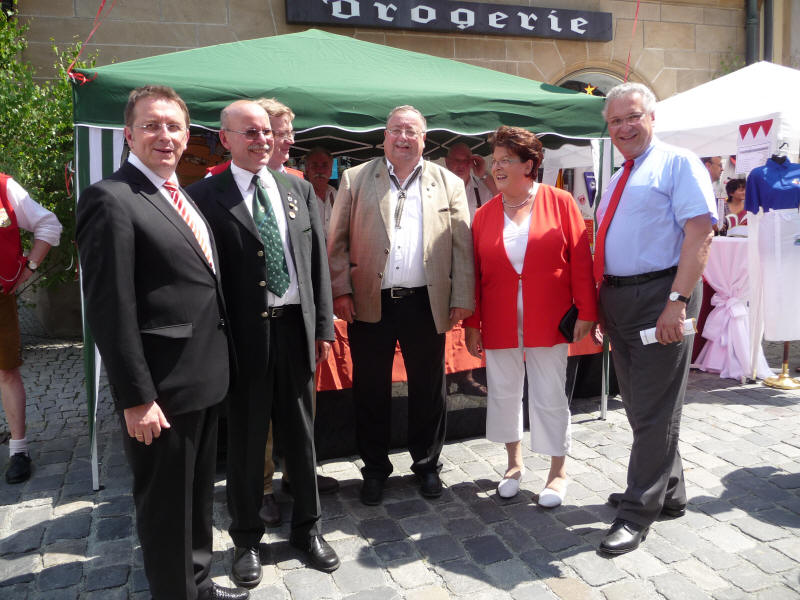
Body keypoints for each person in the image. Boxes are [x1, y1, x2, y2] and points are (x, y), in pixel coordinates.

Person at [76, 85, 248, 600]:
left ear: (188, 135)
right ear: (128, 134)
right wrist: (135, 397)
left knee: (196, 500)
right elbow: (110, 309)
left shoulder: (182, 194)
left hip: (202, 379)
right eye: (151, 125)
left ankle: (198, 583)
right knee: (165, 508)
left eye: (174, 126)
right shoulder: (111, 198)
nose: (165, 136)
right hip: (160, 390)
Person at [187, 100, 340, 588]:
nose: (261, 140)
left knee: (301, 435)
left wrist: (322, 328)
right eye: (249, 133)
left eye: (265, 133)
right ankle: (247, 539)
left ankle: (307, 529)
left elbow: (315, 264)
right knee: (250, 443)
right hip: (243, 339)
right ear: (225, 138)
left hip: (294, 330)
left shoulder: (297, 189)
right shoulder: (203, 196)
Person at [327, 105, 474, 505]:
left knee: (429, 390)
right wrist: (341, 290)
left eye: (412, 131)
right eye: (396, 130)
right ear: (385, 136)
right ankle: (374, 469)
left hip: (426, 301)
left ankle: (427, 465)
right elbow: (336, 241)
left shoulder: (447, 182)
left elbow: (463, 246)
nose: (403, 138)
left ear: (424, 138)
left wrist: (462, 297)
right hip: (370, 301)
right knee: (370, 389)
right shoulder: (357, 179)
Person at [595, 82, 716, 555]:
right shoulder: (622, 172)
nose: (625, 127)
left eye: (633, 117)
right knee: (644, 407)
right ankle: (668, 493)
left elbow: (701, 233)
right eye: (615, 121)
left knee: (655, 410)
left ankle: (636, 510)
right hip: (621, 301)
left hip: (660, 296)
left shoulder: (677, 162)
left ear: (652, 117)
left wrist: (677, 301)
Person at [463, 126, 596, 507]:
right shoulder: (484, 214)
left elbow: (580, 261)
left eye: (506, 160)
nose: (498, 167)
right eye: (495, 160)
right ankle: (513, 464)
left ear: (529, 164)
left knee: (549, 393)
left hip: (549, 318)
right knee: (503, 392)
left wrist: (588, 310)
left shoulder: (560, 201)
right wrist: (473, 324)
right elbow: (476, 272)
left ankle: (557, 472)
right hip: (499, 319)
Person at [0, 174, 61, 484]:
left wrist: (30, 268)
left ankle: (19, 450)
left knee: (7, 372)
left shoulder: (2, 187)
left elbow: (49, 224)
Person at [445, 142, 497, 218]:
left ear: (471, 162)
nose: (461, 165)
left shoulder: (484, 187)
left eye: (466, 160)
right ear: (447, 162)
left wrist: (483, 174)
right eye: (456, 160)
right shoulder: (438, 188)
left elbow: (505, 199)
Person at [304, 146, 336, 238]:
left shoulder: (336, 195)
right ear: (306, 170)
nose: (320, 170)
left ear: (330, 170)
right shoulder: (299, 197)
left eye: (325, 165)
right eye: (314, 165)